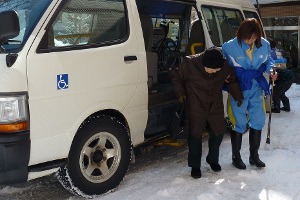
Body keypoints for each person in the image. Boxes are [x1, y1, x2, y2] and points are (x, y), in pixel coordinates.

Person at [171, 46, 244, 178]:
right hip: (195, 102)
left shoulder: (224, 66)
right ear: (205, 64)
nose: (216, 71)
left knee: (219, 132)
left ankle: (212, 159)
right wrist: (180, 94)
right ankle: (195, 166)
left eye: (218, 69)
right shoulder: (189, 64)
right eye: (213, 69)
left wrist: (238, 95)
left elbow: (231, 80)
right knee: (195, 135)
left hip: (214, 103)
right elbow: (176, 77)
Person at [222, 18, 277, 170]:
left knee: (258, 119)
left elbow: (269, 60)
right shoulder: (229, 47)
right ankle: (236, 157)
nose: (250, 41)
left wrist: (272, 70)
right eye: (248, 38)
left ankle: (254, 156)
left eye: (253, 38)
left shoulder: (264, 44)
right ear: (240, 34)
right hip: (238, 88)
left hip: (256, 87)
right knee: (238, 121)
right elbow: (223, 64)